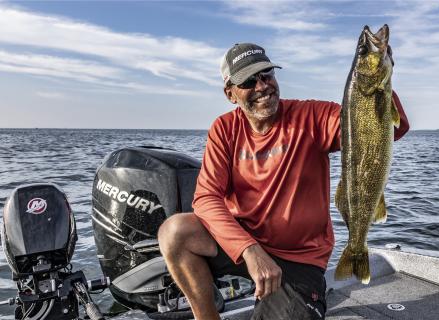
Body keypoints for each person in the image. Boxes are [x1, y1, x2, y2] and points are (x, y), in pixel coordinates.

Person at [158, 43, 409, 319]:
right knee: (175, 233)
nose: (262, 86)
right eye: (249, 81)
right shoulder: (224, 129)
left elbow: (391, 129)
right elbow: (206, 198)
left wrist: (382, 78)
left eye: (267, 75)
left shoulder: (313, 116)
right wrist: (250, 251)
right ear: (230, 94)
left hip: (299, 260)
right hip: (245, 244)